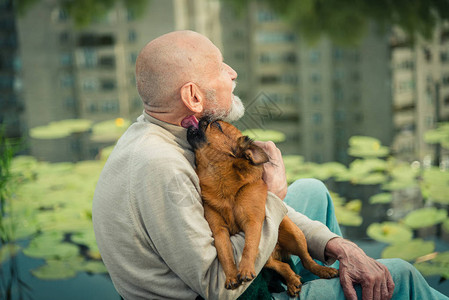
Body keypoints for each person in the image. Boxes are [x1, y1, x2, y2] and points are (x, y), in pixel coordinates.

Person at [92, 30, 448, 300]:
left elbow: (246, 209)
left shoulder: (168, 131)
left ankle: (324, 274)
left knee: (312, 191)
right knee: (398, 275)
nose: (232, 73)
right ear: (193, 96)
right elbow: (219, 285)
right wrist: (273, 195)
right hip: (233, 293)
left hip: (233, 265)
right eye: (220, 68)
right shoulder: (162, 167)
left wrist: (340, 246)